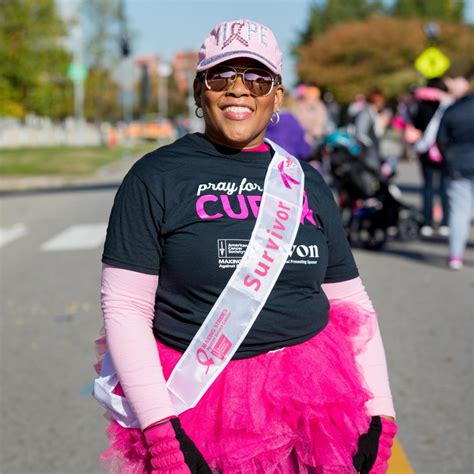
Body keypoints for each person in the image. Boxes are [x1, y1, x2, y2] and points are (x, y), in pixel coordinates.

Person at [93, 19, 397, 473]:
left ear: (276, 96)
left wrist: (381, 415)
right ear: (200, 91)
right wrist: (160, 432)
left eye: (257, 78)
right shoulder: (154, 177)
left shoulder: (306, 181)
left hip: (315, 400)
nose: (239, 90)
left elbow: (350, 301)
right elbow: (125, 308)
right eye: (221, 76)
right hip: (202, 405)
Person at [437, 70, 474, 270]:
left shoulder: (453, 110)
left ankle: (455, 256)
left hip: (457, 165)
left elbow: (440, 140)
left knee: (459, 211)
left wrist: (448, 156)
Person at [411, 78, 451, 237]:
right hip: (444, 150)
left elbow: (416, 123)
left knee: (427, 187)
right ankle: (445, 223)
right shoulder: (447, 105)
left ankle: (427, 223)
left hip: (426, 149)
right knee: (443, 187)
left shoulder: (421, 105)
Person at [354, 88, 388, 176]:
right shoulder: (365, 113)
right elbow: (360, 133)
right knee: (368, 174)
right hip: (367, 151)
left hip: (373, 149)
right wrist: (368, 145)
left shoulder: (374, 113)